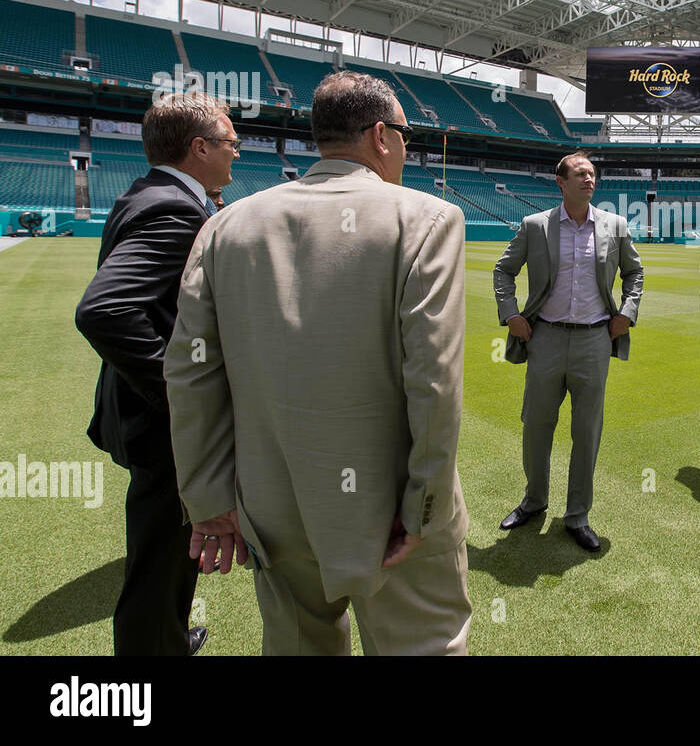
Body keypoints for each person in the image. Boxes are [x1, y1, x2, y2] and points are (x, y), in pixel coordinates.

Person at [164, 70, 471, 655]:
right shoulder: (427, 219)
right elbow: (433, 380)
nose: (407, 149)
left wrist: (207, 501)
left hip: (274, 507)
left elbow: (190, 370)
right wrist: (423, 505)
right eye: (406, 136)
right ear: (381, 136)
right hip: (392, 512)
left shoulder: (224, 226)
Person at [74, 91, 239, 656]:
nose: (236, 154)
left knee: (169, 549)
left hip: (147, 418)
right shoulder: (174, 208)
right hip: (165, 425)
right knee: (158, 555)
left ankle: (166, 636)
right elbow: (104, 310)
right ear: (199, 147)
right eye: (230, 143)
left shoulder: (150, 193)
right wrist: (180, 395)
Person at [492, 151, 643, 552]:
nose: (589, 179)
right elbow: (503, 271)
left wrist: (626, 313)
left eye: (592, 174)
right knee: (536, 426)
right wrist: (511, 316)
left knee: (586, 431)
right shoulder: (535, 226)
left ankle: (577, 515)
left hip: (595, 340)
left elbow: (635, 273)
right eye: (580, 174)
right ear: (561, 182)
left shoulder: (615, 225)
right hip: (545, 339)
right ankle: (534, 501)